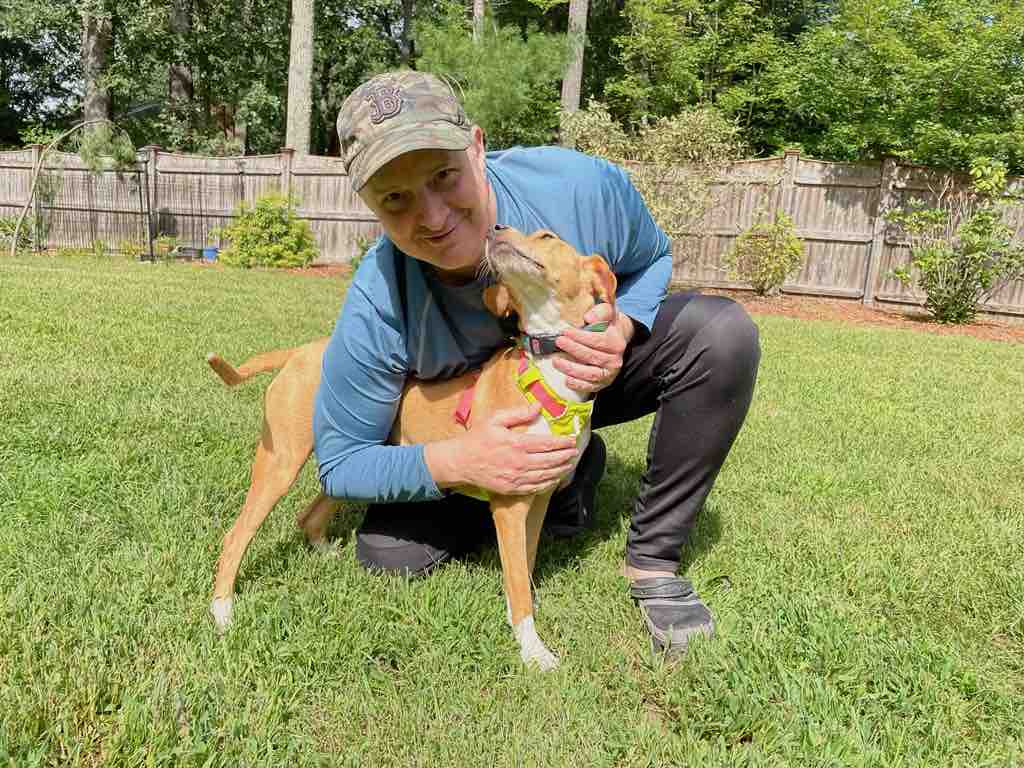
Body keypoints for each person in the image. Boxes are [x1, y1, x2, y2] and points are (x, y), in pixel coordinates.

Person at [313, 70, 761, 655]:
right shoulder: (377, 301)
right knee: (389, 555)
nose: (432, 217)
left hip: (586, 371)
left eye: (444, 176)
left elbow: (652, 257)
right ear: (367, 204)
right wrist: (461, 459)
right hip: (469, 417)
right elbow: (341, 462)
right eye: (395, 199)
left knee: (720, 334)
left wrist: (623, 326)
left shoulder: (579, 187)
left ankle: (653, 559)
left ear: (475, 146)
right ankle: (562, 472)